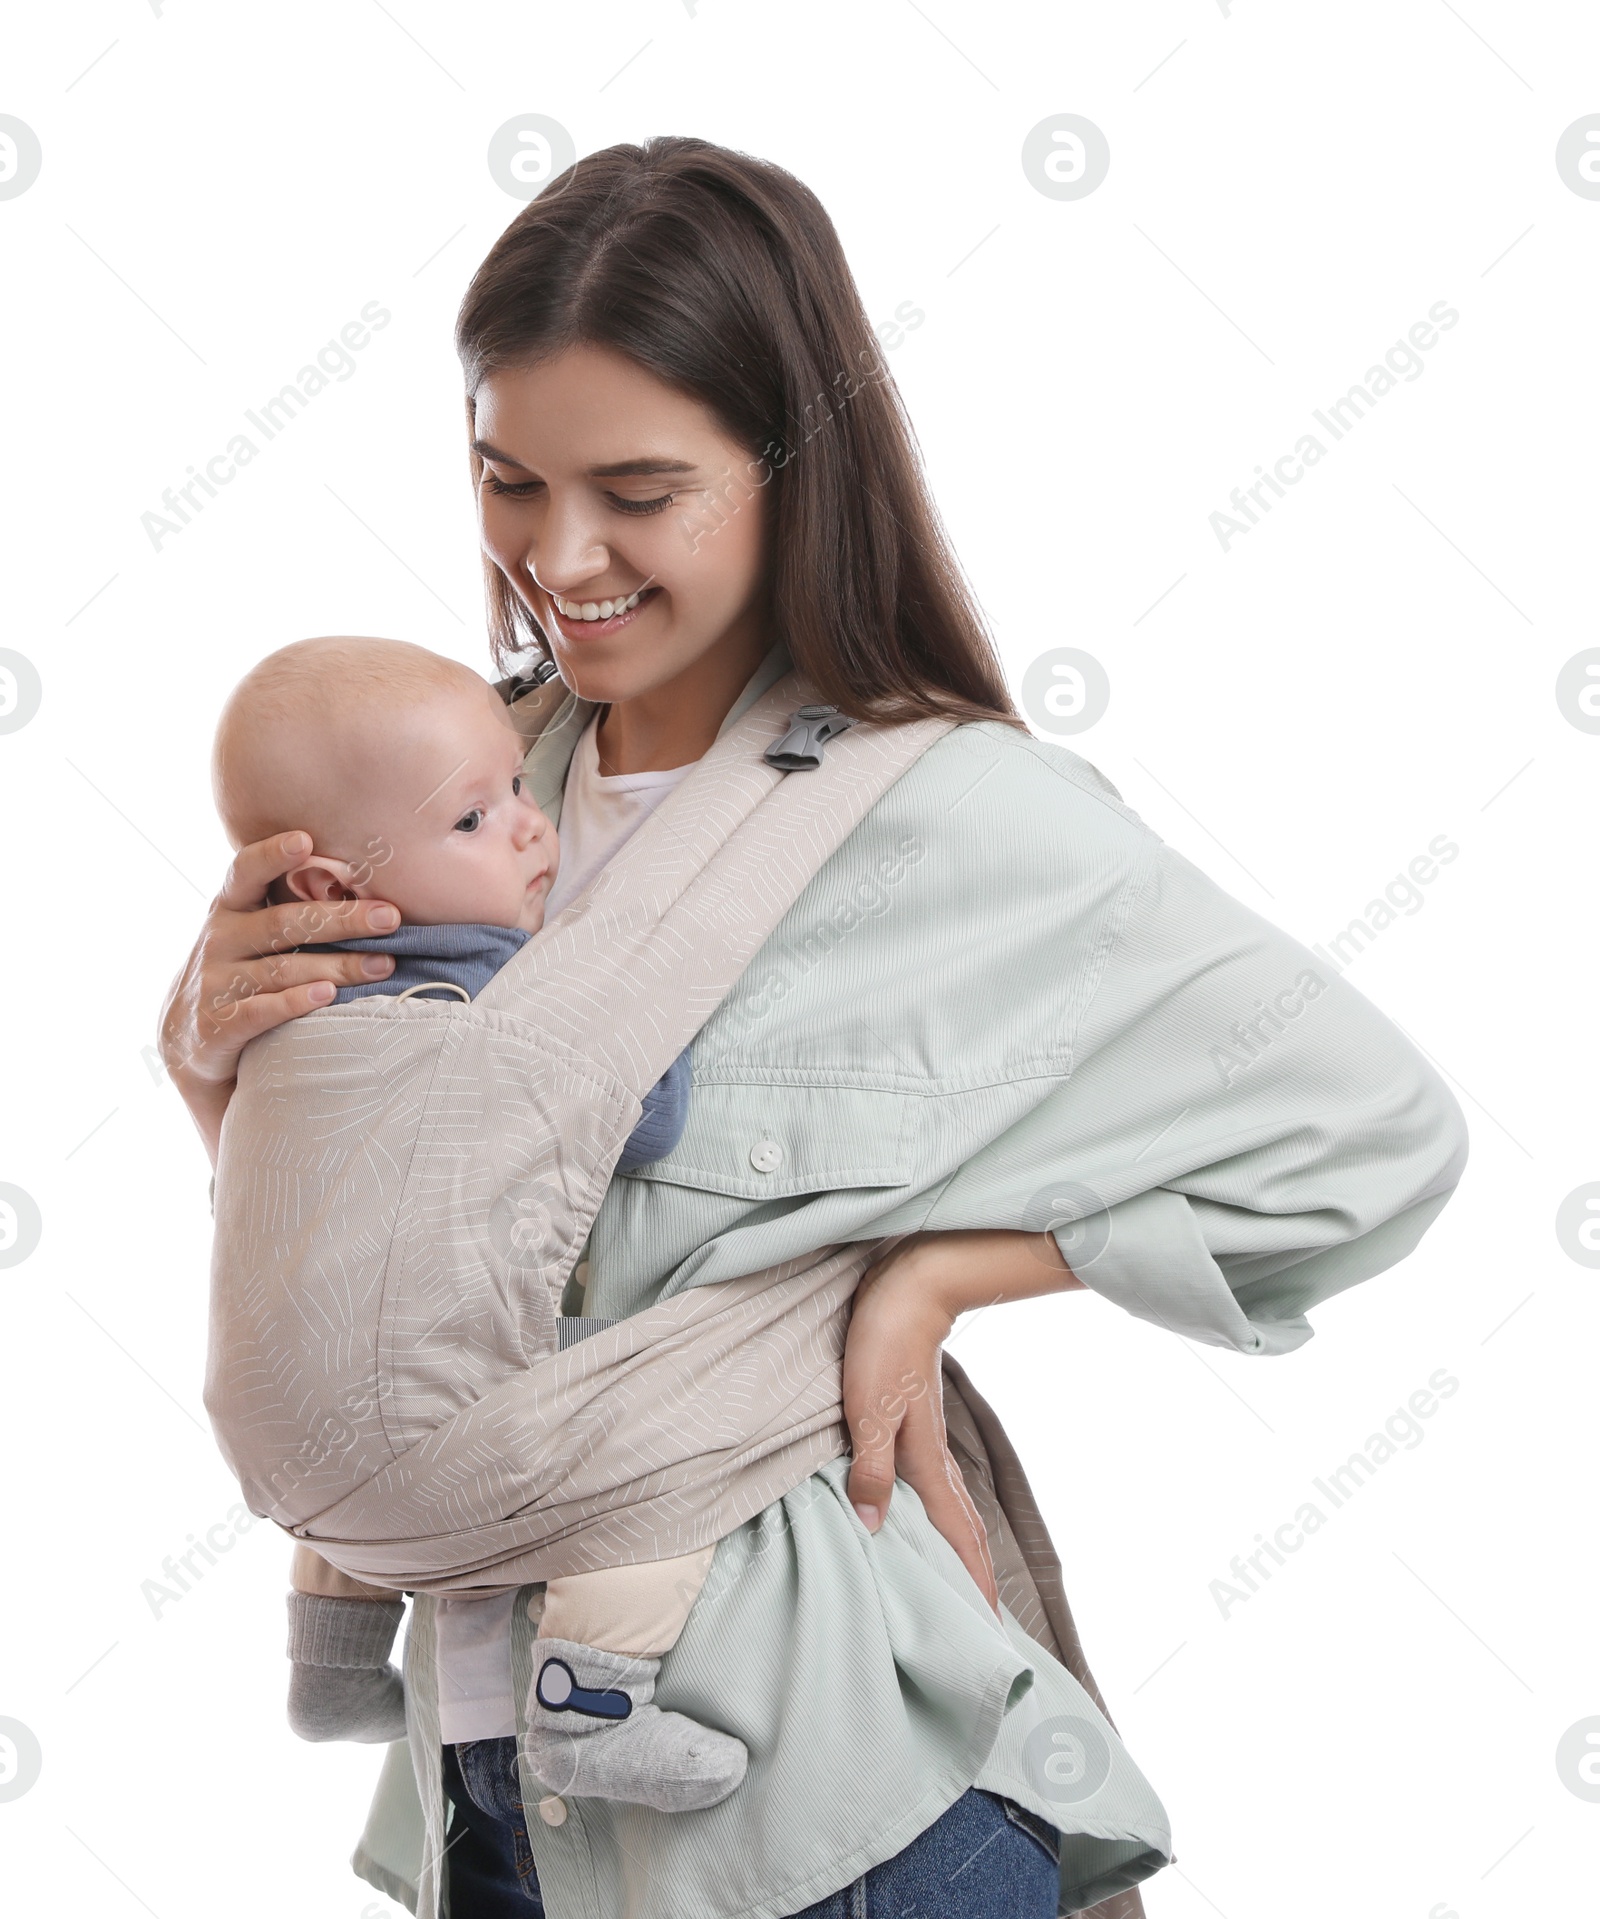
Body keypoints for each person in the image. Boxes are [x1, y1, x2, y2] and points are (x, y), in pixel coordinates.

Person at [161, 137, 1469, 1919]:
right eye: (506, 478)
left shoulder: (944, 815)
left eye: (638, 487)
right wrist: (221, 1070)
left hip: (813, 1796)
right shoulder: (458, 778)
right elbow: (407, 1277)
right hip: (491, 1794)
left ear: (793, 466)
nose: (560, 556)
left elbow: (1373, 1135)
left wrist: (931, 1275)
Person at [210, 632, 755, 1812]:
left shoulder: (268, 1003)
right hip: (425, 1415)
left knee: (348, 1418)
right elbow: (643, 1124)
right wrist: (643, 1000)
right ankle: (592, 1697)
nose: (529, 826)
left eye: (518, 784)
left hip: (270, 1426)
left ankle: (334, 1660)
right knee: (657, 1430)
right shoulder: (489, 982)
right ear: (327, 886)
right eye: (472, 819)